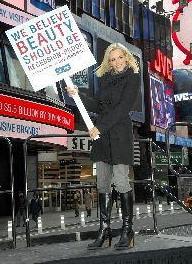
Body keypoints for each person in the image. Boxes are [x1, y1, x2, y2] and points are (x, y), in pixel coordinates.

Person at [66, 43, 140, 250]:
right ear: (108, 61)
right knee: (103, 183)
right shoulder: (104, 79)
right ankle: (104, 230)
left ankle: (127, 230)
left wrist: (101, 127)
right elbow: (97, 105)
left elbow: (123, 108)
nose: (116, 62)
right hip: (101, 138)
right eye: (112, 59)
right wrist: (77, 95)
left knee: (121, 182)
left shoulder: (133, 77)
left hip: (119, 135)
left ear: (126, 58)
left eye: (120, 58)